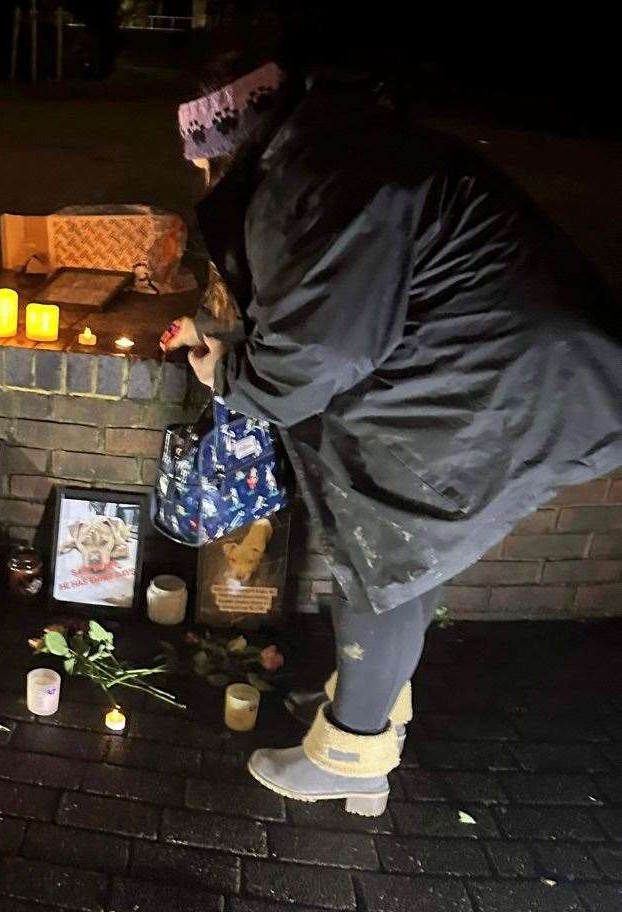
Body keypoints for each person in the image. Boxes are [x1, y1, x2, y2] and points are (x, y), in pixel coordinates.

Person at [162, 10, 622, 816]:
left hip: (490, 387)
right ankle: (368, 700)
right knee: (379, 557)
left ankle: (352, 756)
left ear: (221, 134)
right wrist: (238, 343)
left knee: (389, 559)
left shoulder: (317, 178)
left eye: (201, 157)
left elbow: (324, 354)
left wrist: (234, 374)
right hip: (475, 371)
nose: (201, 176)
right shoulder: (334, 151)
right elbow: (340, 313)